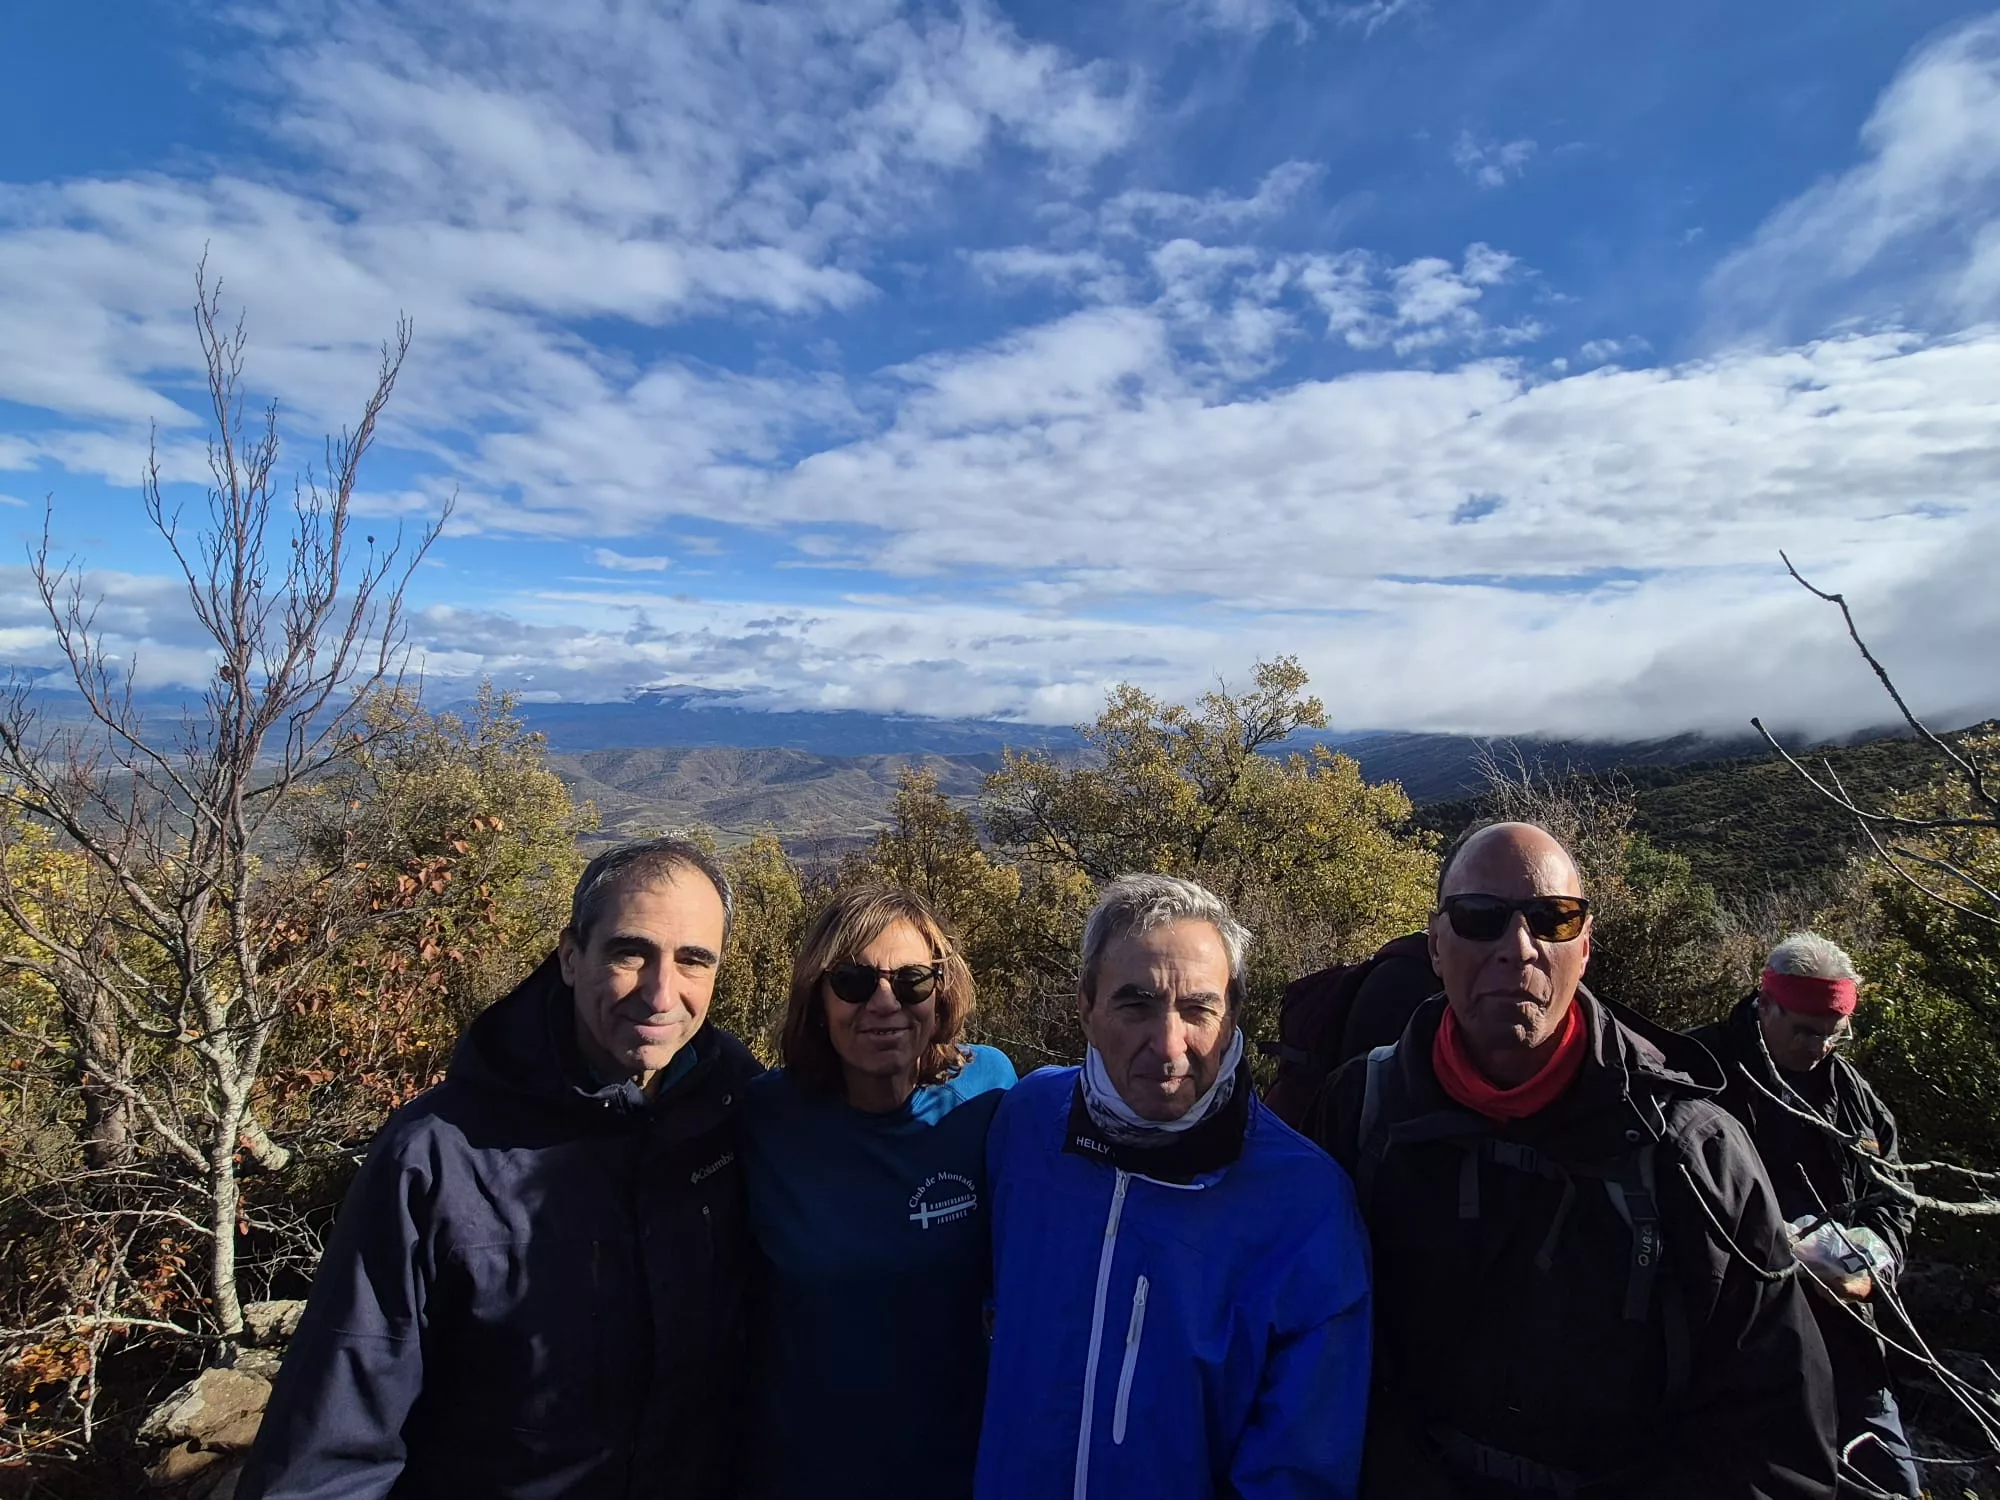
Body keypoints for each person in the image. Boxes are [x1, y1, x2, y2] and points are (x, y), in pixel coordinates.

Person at [1313, 821, 1838, 1499]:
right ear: (1435, 946)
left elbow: (1772, 1441)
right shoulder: (1361, 1110)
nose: (1518, 948)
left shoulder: (1691, 1151)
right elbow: (1306, 1357)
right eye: (1480, 919)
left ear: (1585, 948)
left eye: (1552, 920)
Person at [238, 837, 762, 1500]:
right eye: (631, 953)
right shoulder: (436, 1156)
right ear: (571, 958)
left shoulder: (742, 1115)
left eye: (693, 960)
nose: (662, 993)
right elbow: (332, 1447)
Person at [977, 873, 1372, 1499]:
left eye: (1198, 1008)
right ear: (1086, 1006)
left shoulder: (1305, 1204)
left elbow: (1300, 1470)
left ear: (1234, 1013)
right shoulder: (1026, 1126)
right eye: (1135, 1004)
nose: (1168, 1045)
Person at [740, 887, 1015, 1500]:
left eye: (914, 980)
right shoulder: (761, 1116)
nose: (885, 1003)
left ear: (941, 991)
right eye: (854, 981)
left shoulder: (992, 1091)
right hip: (803, 1471)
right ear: (818, 996)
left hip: (958, 1467)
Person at [1690, 933, 1921, 1499]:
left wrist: (1870, 1267)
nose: (1819, 1048)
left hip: (1846, 1336)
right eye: (1804, 1031)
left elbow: (1895, 1198)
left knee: (1890, 1483)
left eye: (1833, 1034)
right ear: (1765, 1004)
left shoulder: (1854, 1101)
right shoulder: (1700, 1071)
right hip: (1732, 1341)